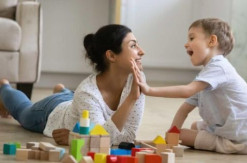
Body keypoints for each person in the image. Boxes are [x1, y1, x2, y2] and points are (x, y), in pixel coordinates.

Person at [132, 18, 247, 154]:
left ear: (212, 41)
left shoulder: (218, 66)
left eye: (192, 38)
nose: (186, 44)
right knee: (193, 126)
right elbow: (184, 110)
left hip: (238, 138)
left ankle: (245, 145)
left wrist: (150, 90)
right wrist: (171, 134)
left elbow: (186, 91)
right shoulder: (206, 77)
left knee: (182, 135)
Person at [0, 24, 146, 146]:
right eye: (133, 46)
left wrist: (80, 137)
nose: (142, 51)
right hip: (50, 112)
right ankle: (4, 87)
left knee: (77, 99)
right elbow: (102, 138)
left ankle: (62, 91)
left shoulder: (136, 80)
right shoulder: (87, 92)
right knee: (22, 111)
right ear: (111, 56)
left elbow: (128, 136)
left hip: (75, 102)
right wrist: (132, 99)